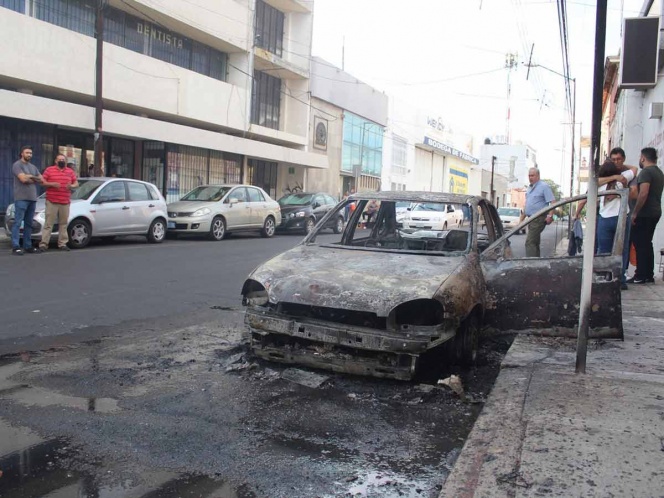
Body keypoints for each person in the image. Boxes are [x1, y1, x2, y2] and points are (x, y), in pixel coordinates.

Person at [628, 147, 664, 284]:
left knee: (640, 244)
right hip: (655, 212)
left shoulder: (646, 172)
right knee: (646, 243)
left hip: (645, 213)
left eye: (640, 157)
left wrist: (635, 212)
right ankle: (648, 274)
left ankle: (641, 275)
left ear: (643, 158)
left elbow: (643, 193)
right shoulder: (659, 172)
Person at [11, 146, 49, 255]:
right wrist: (33, 178)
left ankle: (27, 246)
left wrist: (31, 177)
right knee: (18, 223)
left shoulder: (33, 167)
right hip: (21, 198)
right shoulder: (17, 165)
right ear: (22, 153)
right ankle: (16, 246)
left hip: (32, 198)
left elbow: (42, 180)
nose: (29, 155)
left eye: (31, 153)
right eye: (27, 153)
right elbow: (22, 179)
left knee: (29, 223)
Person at [39, 153, 79, 252]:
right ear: (56, 161)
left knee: (63, 223)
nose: (62, 161)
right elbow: (42, 182)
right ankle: (44, 244)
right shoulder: (49, 170)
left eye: (63, 160)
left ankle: (62, 244)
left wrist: (71, 186)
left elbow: (76, 183)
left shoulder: (70, 171)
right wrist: (52, 184)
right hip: (52, 201)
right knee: (49, 223)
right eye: (60, 159)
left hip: (65, 201)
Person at [596, 160, 633, 256]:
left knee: (604, 250)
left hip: (605, 218)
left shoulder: (599, 186)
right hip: (622, 217)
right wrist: (621, 166)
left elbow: (594, 181)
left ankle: (605, 270)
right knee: (622, 249)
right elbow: (635, 169)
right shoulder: (622, 180)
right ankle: (621, 271)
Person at [521, 167, 555, 257]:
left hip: (539, 218)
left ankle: (530, 263)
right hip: (530, 218)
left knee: (530, 242)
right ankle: (536, 263)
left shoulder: (544, 186)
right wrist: (521, 221)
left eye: (532, 175)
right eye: (529, 176)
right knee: (534, 242)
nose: (530, 178)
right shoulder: (529, 188)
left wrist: (550, 216)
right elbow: (527, 205)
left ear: (538, 176)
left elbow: (552, 202)